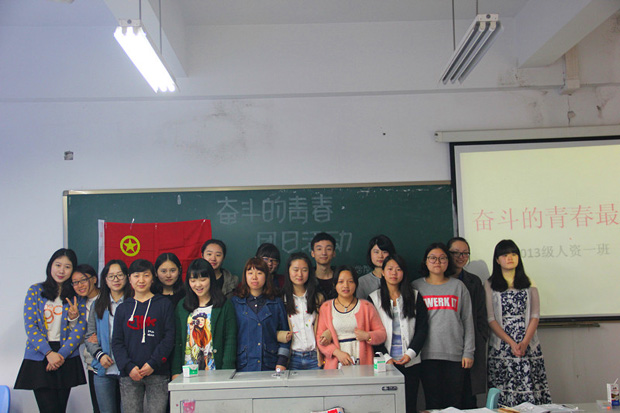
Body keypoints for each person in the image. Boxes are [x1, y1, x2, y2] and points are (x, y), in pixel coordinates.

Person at [14, 248, 87, 413]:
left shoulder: (76, 295)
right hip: (40, 354)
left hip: (65, 354)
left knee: (60, 409)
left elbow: (80, 328)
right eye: (58, 265)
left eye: (67, 267)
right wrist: (49, 353)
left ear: (73, 270)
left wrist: (60, 355)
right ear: (50, 266)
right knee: (48, 409)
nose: (61, 271)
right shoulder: (35, 290)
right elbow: (30, 325)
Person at [485, 239, 552, 405]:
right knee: (504, 393)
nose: (510, 258)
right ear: (497, 259)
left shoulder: (529, 282)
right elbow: (491, 318)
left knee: (531, 392)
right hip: (502, 346)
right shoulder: (489, 284)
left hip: (527, 345)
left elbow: (535, 315)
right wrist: (511, 343)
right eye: (505, 255)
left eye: (514, 254)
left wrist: (524, 342)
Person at [412, 243, 475, 410]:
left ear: (448, 261)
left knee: (454, 404)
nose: (437, 262)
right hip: (427, 354)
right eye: (432, 258)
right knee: (433, 403)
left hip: (455, 354)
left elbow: (467, 320)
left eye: (442, 258)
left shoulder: (458, 287)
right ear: (425, 261)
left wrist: (468, 352)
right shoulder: (416, 287)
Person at [111, 259, 175, 413]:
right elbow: (117, 342)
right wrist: (128, 367)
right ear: (129, 279)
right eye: (136, 276)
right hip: (129, 374)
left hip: (157, 372)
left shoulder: (164, 304)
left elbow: (169, 338)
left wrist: (153, 363)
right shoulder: (123, 308)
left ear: (153, 278)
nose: (141, 280)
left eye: (146, 275)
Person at [368, 254, 428, 413]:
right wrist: (386, 357)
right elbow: (372, 333)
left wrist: (410, 353)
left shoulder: (415, 296)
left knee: (409, 404)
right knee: (387, 406)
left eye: (398, 269)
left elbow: (422, 328)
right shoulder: (374, 298)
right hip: (385, 363)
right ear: (382, 272)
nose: (394, 273)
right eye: (390, 269)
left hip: (410, 361)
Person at [171, 258, 237, 378]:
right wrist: (176, 371)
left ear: (211, 279)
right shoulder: (182, 306)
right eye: (193, 280)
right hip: (188, 372)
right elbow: (177, 340)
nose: (198, 285)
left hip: (216, 372)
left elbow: (230, 340)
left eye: (203, 279)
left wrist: (227, 371)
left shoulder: (224, 305)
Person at [316, 265, 386, 369]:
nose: (346, 286)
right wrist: (337, 353)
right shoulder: (326, 308)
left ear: (356, 284)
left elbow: (382, 334)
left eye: (350, 281)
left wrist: (368, 336)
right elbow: (319, 339)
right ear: (334, 284)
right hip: (336, 364)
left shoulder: (366, 307)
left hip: (363, 363)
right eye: (341, 282)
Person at [447, 237, 489, 408]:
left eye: (465, 253)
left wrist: (480, 337)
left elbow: (481, 315)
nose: (461, 257)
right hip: (446, 348)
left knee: (468, 398)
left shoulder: (474, 281)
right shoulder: (438, 279)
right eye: (456, 253)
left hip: (470, 347)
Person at [86, 260, 132, 413]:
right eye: (111, 276)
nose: (116, 279)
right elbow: (89, 336)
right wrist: (99, 355)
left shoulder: (134, 303)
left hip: (129, 369)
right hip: (104, 368)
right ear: (105, 280)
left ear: (127, 277)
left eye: (119, 275)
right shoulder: (98, 304)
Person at [231, 257, 290, 372]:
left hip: (270, 364)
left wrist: (282, 361)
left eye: (259, 273)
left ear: (266, 276)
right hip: (244, 364)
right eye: (250, 273)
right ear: (245, 276)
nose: (254, 277)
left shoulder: (276, 303)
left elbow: (286, 335)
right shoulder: (236, 303)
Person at [281, 252, 326, 370]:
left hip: (315, 356)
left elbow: (326, 325)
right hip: (292, 357)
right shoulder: (282, 299)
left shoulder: (318, 298)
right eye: (295, 270)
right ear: (288, 271)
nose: (300, 274)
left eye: (304, 270)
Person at [71, 264, 101, 413]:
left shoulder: (108, 297)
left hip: (116, 361)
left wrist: (100, 337)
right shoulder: (77, 304)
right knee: (98, 407)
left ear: (94, 279)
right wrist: (73, 319)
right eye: (75, 282)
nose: (79, 285)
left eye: (83, 280)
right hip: (92, 362)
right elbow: (80, 338)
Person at [357, 235, 396, 299]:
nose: (380, 256)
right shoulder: (362, 281)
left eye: (384, 252)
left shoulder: (396, 278)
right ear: (370, 254)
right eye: (376, 252)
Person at [310, 232, 337, 300]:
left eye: (328, 249)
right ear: (313, 253)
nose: (324, 253)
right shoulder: (307, 277)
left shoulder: (340, 277)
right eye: (319, 249)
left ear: (334, 253)